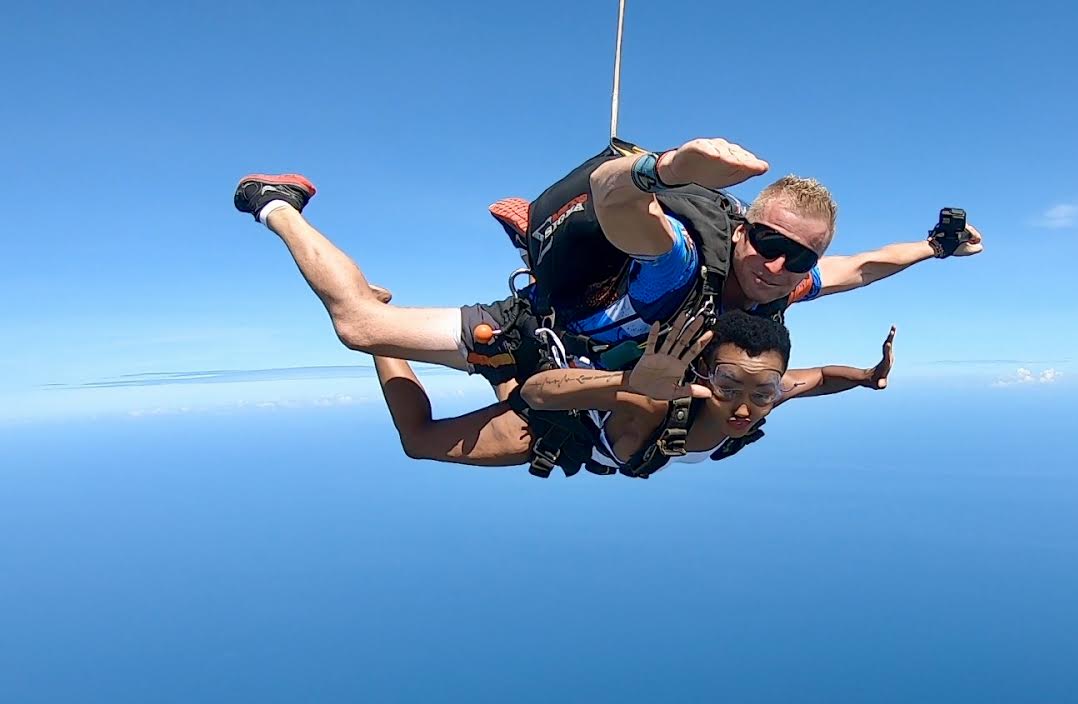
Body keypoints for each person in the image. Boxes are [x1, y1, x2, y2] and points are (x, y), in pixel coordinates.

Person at [233, 136, 979, 393]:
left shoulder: (788, 282)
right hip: (550, 326)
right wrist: (663, 167)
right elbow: (618, 201)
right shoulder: (685, 259)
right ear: (743, 227)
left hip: (588, 339)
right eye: (769, 244)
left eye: (798, 257)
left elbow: (865, 265)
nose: (779, 268)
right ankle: (278, 203)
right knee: (360, 326)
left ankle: (537, 235)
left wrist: (936, 247)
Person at [365, 285, 896, 477]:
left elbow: (821, 377)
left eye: (763, 392)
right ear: (706, 373)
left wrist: (867, 376)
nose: (745, 406)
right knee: (419, 441)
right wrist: (637, 387)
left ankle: (496, 361)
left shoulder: (764, 396)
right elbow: (540, 395)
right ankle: (379, 337)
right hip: (570, 424)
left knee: (507, 383)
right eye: (730, 385)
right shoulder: (666, 404)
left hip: (584, 409)